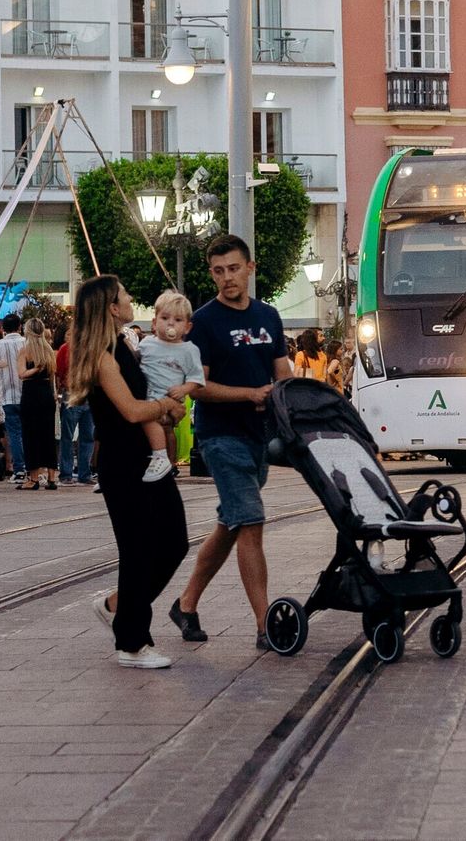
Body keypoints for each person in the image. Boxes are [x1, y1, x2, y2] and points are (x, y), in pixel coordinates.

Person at [171, 234, 293, 652]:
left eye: (234, 269)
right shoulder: (203, 321)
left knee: (232, 523)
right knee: (251, 523)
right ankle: (265, 625)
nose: (227, 278)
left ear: (250, 268)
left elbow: (283, 372)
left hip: (258, 436)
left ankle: (186, 605)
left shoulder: (269, 316)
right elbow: (197, 387)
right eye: (219, 271)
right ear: (212, 273)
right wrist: (248, 394)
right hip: (220, 437)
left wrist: (293, 401)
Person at [69, 274, 189, 668]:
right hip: (124, 464)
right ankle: (132, 643)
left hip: (146, 458)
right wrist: (164, 410)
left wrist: (168, 411)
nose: (131, 297)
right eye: (124, 294)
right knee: (138, 550)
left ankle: (117, 607)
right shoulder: (103, 357)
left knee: (174, 541)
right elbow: (133, 410)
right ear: (110, 307)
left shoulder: (124, 345)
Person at [137, 292, 204, 482]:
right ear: (154, 322)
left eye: (177, 319)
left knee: (157, 424)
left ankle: (163, 458)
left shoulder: (189, 350)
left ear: (187, 327)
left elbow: (196, 379)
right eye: (165, 318)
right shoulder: (147, 343)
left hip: (168, 398)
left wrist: (184, 389)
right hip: (145, 395)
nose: (170, 324)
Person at [17, 318, 59, 489]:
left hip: (31, 394)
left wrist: (34, 369)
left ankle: (33, 478)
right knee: (48, 435)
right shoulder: (49, 350)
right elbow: (53, 376)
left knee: (31, 435)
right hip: (47, 395)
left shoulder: (25, 350)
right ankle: (51, 477)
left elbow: (21, 373)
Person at [56, 322, 95, 486]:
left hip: (71, 394)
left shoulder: (65, 349)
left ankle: (66, 473)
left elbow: (59, 371)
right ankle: (84, 473)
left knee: (67, 436)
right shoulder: (93, 350)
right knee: (87, 436)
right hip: (89, 394)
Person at [0, 313, 28, 483]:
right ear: (20, 327)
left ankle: (19, 469)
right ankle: (31, 468)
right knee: (28, 433)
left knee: (14, 433)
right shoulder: (27, 343)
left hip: (6, 395)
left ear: (3, 328)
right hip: (27, 394)